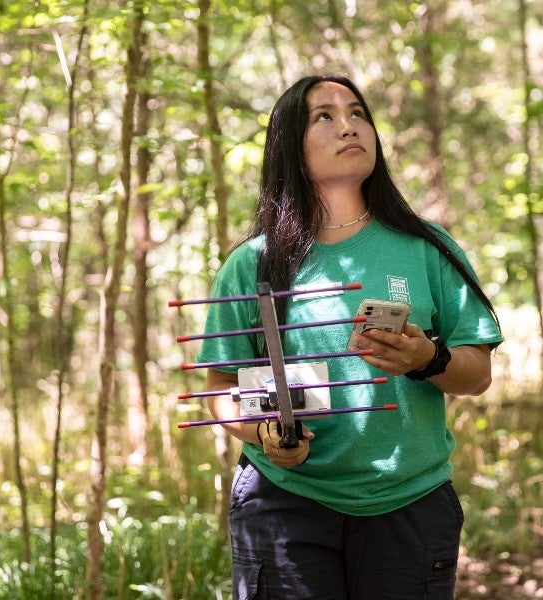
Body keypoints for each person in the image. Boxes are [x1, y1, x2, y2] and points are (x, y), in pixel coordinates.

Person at [196, 74, 503, 600]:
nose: (348, 126)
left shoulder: (426, 247)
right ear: (289, 144)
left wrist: (426, 358)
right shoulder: (253, 263)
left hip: (410, 499)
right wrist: (264, 435)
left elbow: (477, 374)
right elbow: (221, 387)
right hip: (286, 503)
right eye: (324, 116)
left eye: (358, 113)